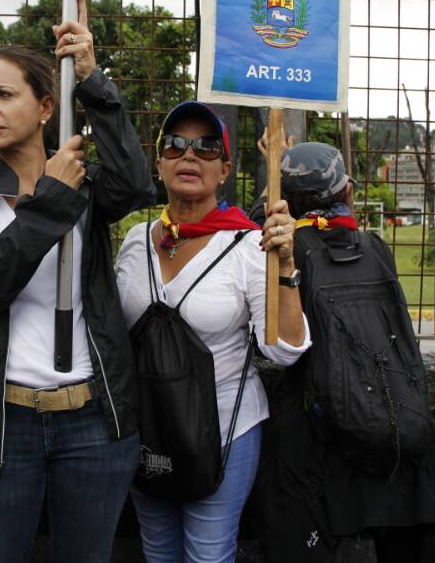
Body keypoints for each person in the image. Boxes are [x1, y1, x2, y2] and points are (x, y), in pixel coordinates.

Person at [0, 0, 155, 563]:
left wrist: (92, 78)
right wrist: (51, 197)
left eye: (5, 95)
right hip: (0, 424)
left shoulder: (83, 185)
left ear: (47, 108)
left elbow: (133, 185)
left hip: (93, 419)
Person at [115, 102, 310, 563]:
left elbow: (283, 350)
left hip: (223, 430)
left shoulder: (248, 245)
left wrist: (284, 265)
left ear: (224, 169)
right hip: (146, 429)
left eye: (205, 147)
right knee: (158, 551)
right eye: (175, 145)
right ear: (158, 162)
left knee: (208, 555)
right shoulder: (134, 241)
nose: (189, 155)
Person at [253, 141, 435, 563]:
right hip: (390, 414)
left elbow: (253, 232)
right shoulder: (375, 248)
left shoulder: (283, 253)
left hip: (314, 430)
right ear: (347, 193)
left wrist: (269, 177)